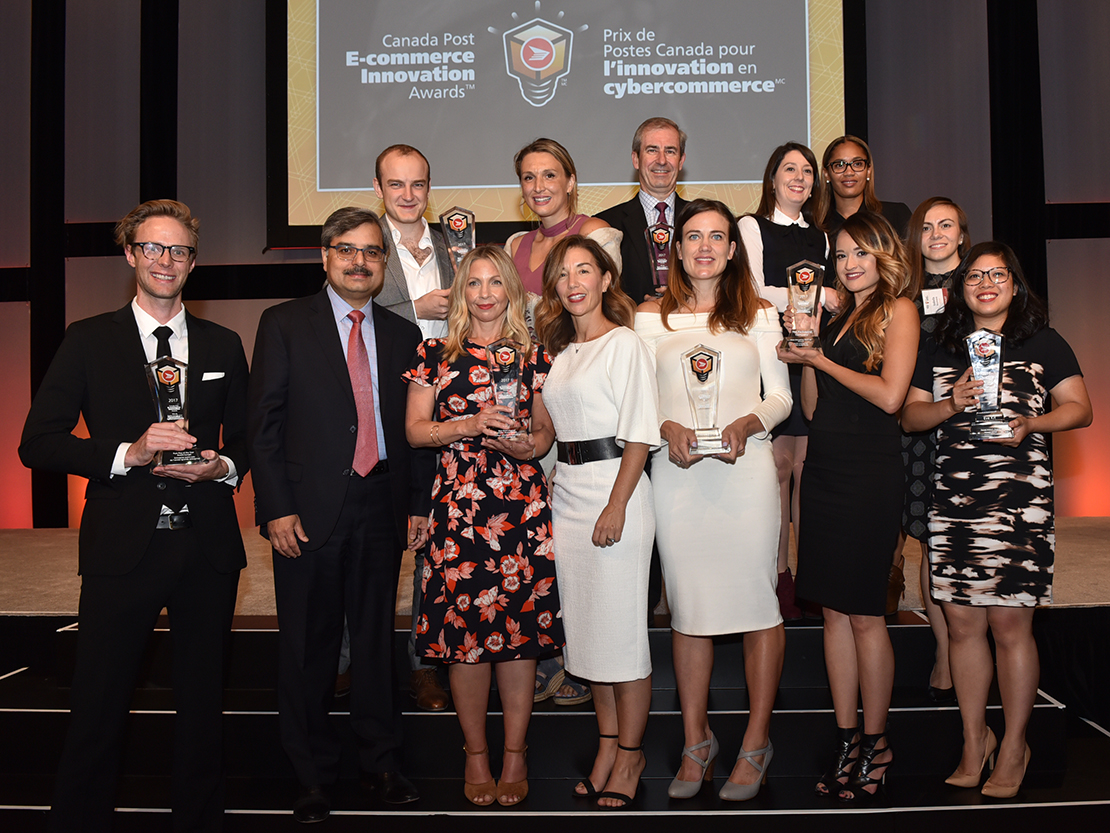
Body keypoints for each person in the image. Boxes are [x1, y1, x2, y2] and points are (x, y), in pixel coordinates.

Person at [19, 199, 249, 832]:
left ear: (193, 261)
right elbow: (37, 443)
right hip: (123, 546)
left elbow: (250, 441)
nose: (165, 261)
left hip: (206, 548)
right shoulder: (88, 339)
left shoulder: (224, 343)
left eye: (178, 250)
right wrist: (128, 452)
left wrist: (221, 468)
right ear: (129, 254)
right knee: (99, 702)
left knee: (202, 707)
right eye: (152, 248)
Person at [248, 207, 431, 822]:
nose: (360, 261)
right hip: (307, 512)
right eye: (347, 250)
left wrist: (417, 504)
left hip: (382, 505)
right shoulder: (283, 324)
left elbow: (414, 433)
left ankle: (381, 764)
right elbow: (264, 428)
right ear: (325, 256)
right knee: (308, 647)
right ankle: (311, 777)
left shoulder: (406, 336)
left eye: (372, 252)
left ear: (384, 263)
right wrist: (275, 508)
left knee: (377, 642)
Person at [902, 242, 1091, 798]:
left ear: (1015, 283)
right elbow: (911, 416)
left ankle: (1014, 744)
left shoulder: (1043, 341)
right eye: (975, 276)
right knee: (961, 626)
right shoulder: (938, 345)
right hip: (955, 499)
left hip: (1017, 502)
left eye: (997, 274)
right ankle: (972, 738)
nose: (986, 283)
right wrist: (950, 403)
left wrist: (1033, 424)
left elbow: (1080, 408)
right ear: (960, 288)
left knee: (1010, 626)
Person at [637, 200, 792, 801]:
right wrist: (664, 424)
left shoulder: (759, 314)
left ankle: (756, 742)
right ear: (676, 249)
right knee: (689, 610)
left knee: (757, 605)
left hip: (744, 473)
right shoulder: (651, 318)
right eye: (693, 236)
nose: (704, 246)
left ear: (733, 250)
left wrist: (750, 423)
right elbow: (637, 400)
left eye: (717, 237)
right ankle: (695, 742)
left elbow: (779, 398)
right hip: (676, 478)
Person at [402, 245, 565, 807]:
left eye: (497, 282)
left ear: (513, 292)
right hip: (457, 509)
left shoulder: (536, 356)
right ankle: (475, 755)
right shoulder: (433, 353)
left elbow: (547, 433)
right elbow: (415, 432)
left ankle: (515, 752)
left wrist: (529, 444)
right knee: (463, 640)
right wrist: (468, 424)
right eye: (475, 283)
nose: (487, 293)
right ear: (461, 292)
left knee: (518, 639)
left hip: (520, 507)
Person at [778, 211, 919, 802]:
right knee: (833, 613)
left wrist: (821, 361)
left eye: (861, 252)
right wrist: (806, 348)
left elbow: (890, 396)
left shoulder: (900, 310)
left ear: (885, 255)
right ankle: (846, 739)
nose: (849, 263)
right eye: (841, 255)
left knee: (864, 613)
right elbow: (812, 405)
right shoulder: (839, 317)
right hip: (826, 467)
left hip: (870, 472)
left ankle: (877, 740)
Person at [535, 235, 661, 808]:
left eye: (584, 270)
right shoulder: (561, 352)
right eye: (563, 274)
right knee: (587, 640)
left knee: (623, 638)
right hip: (570, 495)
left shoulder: (625, 344)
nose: (573, 282)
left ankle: (631, 758)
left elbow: (639, 432)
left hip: (619, 494)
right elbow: (553, 435)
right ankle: (607, 745)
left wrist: (616, 504)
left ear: (606, 280)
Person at [372, 143, 453, 712]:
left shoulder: (456, 244)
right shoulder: (359, 244)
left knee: (434, 543)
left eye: (417, 184)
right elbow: (343, 311)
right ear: (378, 189)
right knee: (369, 545)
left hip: (444, 412)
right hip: (376, 403)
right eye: (396, 185)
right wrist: (419, 308)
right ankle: (356, 662)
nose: (407, 195)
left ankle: (426, 665)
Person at [737, 142, 829, 621]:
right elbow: (753, 290)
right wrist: (818, 296)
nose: (799, 177)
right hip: (770, 354)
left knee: (805, 472)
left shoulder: (820, 237)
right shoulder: (751, 226)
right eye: (789, 169)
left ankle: (808, 575)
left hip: (810, 358)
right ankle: (776, 576)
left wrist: (816, 310)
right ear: (772, 178)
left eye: (807, 171)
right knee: (774, 473)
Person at [901, 197, 972, 700]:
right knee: (930, 543)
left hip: (975, 431)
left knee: (968, 542)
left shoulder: (982, 285)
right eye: (926, 227)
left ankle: (973, 643)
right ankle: (945, 648)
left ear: (963, 234)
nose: (937, 234)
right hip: (920, 431)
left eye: (946, 225)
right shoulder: (903, 292)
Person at [507, 137, 620, 296]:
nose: (538, 187)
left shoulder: (592, 232)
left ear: (570, 183)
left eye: (549, 176)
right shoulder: (515, 246)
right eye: (529, 178)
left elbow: (608, 301)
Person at [595, 117, 689, 302]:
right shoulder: (605, 225)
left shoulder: (702, 219)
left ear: (681, 161)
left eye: (670, 151)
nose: (661, 160)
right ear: (636, 159)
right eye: (652, 150)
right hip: (631, 325)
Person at [816, 135, 911, 242]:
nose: (849, 172)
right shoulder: (816, 227)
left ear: (868, 171)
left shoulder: (895, 216)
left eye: (857, 164)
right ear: (826, 174)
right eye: (839, 165)